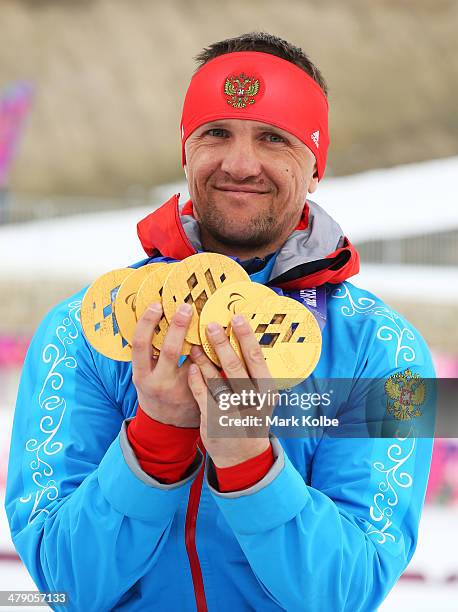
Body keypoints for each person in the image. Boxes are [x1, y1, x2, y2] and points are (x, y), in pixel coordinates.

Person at [5, 32, 435, 611]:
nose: (239, 163)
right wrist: (156, 436)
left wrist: (249, 461)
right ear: (186, 152)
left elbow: (351, 592)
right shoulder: (81, 334)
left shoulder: (388, 357)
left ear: (315, 167)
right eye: (216, 134)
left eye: (273, 139)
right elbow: (66, 584)